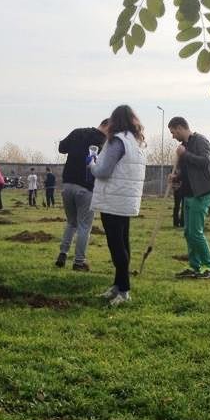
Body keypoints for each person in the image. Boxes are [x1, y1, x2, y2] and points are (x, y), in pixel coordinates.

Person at [90, 104, 148, 306]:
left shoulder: (116, 141)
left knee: (116, 245)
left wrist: (92, 163)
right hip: (126, 199)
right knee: (123, 242)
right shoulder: (136, 142)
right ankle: (118, 285)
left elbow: (103, 171)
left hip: (112, 199)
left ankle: (124, 290)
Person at [54, 119, 109, 271]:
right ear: (107, 127)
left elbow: (61, 148)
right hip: (86, 188)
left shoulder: (77, 132)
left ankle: (63, 254)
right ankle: (79, 262)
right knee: (84, 226)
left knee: (71, 222)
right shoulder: (104, 143)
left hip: (67, 185)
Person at [168, 117, 210, 279]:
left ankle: (209, 267)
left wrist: (185, 154)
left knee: (196, 232)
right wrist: (176, 177)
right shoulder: (184, 147)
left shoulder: (200, 141)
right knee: (188, 233)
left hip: (201, 194)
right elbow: (187, 171)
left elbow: (204, 163)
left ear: (181, 127)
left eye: (173, 132)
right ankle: (194, 266)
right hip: (188, 195)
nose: (173, 136)